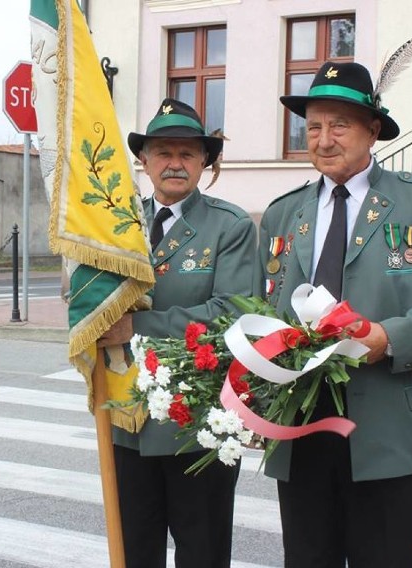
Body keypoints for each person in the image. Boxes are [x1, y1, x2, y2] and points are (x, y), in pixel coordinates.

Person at [259, 61, 412, 567]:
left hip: (389, 429)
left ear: (373, 130)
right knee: (307, 557)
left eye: (339, 125)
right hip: (302, 427)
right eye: (313, 126)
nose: (322, 139)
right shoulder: (282, 213)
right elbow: (264, 310)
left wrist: (390, 337)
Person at [98, 98, 259, 568]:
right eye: (163, 152)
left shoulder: (228, 226)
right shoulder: (116, 224)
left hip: (197, 423)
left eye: (187, 154)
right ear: (143, 161)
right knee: (134, 550)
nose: (174, 163)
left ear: (204, 163)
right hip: (127, 416)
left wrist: (137, 326)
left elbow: (231, 313)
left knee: (202, 551)